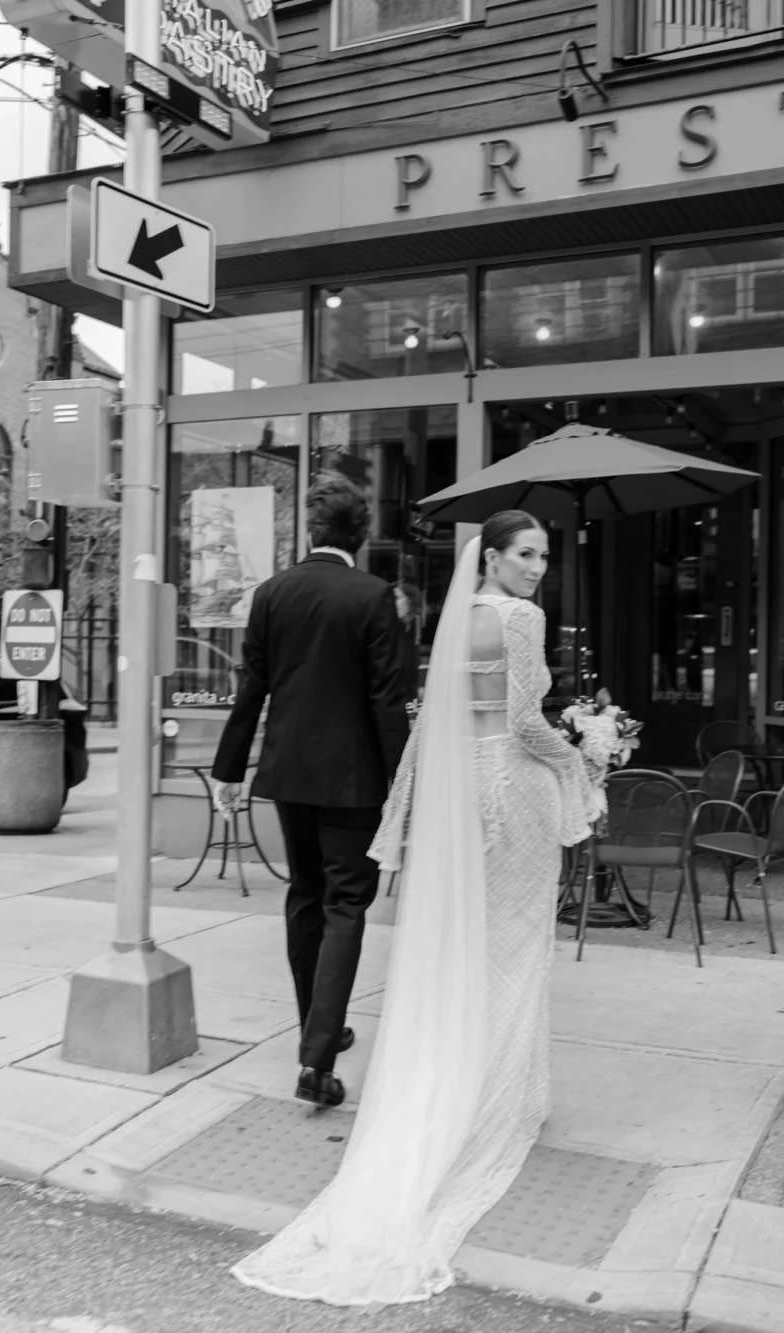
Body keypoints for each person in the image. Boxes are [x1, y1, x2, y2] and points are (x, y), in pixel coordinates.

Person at [230, 510, 596, 1306]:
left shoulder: (459, 615)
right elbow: (527, 720)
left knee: (468, 944)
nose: (538, 568)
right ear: (492, 556)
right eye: (525, 554)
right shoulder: (521, 618)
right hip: (516, 794)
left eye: (543, 557)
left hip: (466, 796)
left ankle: (445, 1081)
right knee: (515, 944)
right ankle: (499, 1101)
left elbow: (444, 717)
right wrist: (584, 756)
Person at [212, 473, 410, 1110]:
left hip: (288, 775)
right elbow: (387, 704)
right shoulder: (374, 597)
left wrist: (227, 771)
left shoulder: (272, 593)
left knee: (305, 897)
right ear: (361, 535)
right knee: (346, 906)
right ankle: (316, 1061)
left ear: (313, 532)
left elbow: (252, 688)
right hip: (353, 784)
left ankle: (317, 1029)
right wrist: (401, 783)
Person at [393, 581, 423, 710]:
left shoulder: (413, 629)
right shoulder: (392, 630)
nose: (393, 604)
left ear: (410, 600)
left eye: (397, 598)